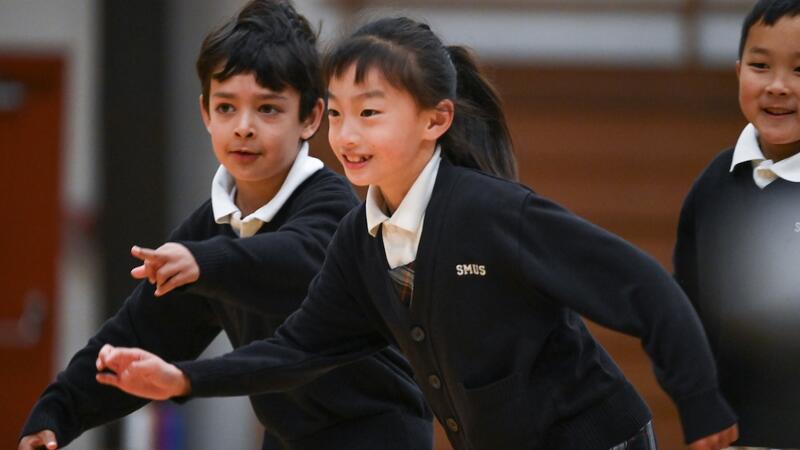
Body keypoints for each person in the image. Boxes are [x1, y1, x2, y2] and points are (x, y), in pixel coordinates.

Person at [96, 17, 738, 450]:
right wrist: (183, 380)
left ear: (436, 120)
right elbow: (296, 352)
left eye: (370, 114)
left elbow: (642, 287)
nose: (346, 137)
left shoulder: (493, 214)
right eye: (339, 116)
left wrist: (702, 404)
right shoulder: (359, 241)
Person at [18, 4, 432, 450]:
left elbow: (300, 261)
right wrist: (55, 413)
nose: (244, 128)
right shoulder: (209, 228)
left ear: (311, 117)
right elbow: (137, 334)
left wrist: (205, 262)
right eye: (227, 107)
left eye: (268, 109)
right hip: (289, 436)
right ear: (206, 113)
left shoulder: (331, 205)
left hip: (379, 431)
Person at [673, 1, 800, 449]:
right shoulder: (714, 184)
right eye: (761, 66)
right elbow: (688, 312)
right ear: (738, 71)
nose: (779, 87)